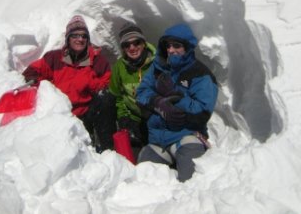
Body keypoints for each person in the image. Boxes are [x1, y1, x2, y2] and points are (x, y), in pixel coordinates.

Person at [136, 23, 218, 182]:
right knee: (142, 184)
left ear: (187, 48)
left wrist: (176, 95)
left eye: (177, 46)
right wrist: (158, 103)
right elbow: (141, 93)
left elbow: (202, 111)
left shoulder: (200, 74)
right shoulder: (158, 67)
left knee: (192, 183)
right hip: (157, 140)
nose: (171, 50)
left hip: (186, 136)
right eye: (168, 46)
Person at [22, 15, 116, 151]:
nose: (80, 39)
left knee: (105, 98)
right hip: (61, 114)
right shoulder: (54, 58)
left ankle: (107, 149)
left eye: (84, 36)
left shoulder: (98, 61)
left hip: (86, 113)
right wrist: (40, 86)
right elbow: (32, 72)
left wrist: (90, 82)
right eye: (75, 36)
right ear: (68, 38)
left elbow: (107, 85)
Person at [109, 22, 155, 156]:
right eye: (126, 45)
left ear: (143, 43)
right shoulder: (119, 67)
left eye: (136, 42)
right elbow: (117, 95)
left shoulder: (158, 63)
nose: (132, 47)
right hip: (133, 119)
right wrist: (123, 116)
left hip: (156, 118)